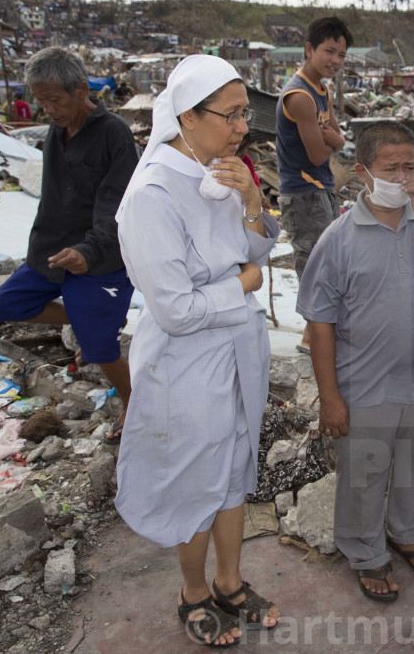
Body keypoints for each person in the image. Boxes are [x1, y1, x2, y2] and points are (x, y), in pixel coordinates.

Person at [114, 55, 282, 646]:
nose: (243, 127)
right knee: (194, 479)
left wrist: (254, 206)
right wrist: (240, 282)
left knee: (234, 466)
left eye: (245, 114)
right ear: (187, 114)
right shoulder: (153, 195)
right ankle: (193, 592)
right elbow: (177, 310)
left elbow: (257, 249)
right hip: (186, 364)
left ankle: (231, 583)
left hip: (236, 350)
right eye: (232, 115)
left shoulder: (220, 171)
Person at [296, 121, 414, 602]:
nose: (402, 178)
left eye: (409, 167)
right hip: (365, 383)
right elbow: (319, 322)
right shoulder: (338, 238)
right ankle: (363, 551)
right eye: (390, 168)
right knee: (363, 472)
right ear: (363, 172)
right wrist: (330, 398)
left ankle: (407, 533)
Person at [0, 47, 135, 444]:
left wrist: (88, 251)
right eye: (41, 101)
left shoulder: (113, 134)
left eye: (54, 100)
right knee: (7, 304)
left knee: (101, 347)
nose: (47, 110)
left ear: (81, 90)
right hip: (52, 250)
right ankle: (84, 316)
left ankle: (132, 401)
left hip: (101, 258)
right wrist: (42, 247)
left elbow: (116, 207)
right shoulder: (56, 132)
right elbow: (54, 197)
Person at [275, 16, 352, 355]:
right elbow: (320, 154)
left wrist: (334, 139)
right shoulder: (300, 96)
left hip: (322, 190)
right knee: (314, 265)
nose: (335, 60)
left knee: (330, 261)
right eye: (329, 51)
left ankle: (319, 333)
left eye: (341, 54)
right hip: (303, 193)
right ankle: (312, 338)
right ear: (309, 50)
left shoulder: (322, 90)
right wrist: (335, 140)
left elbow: (337, 136)